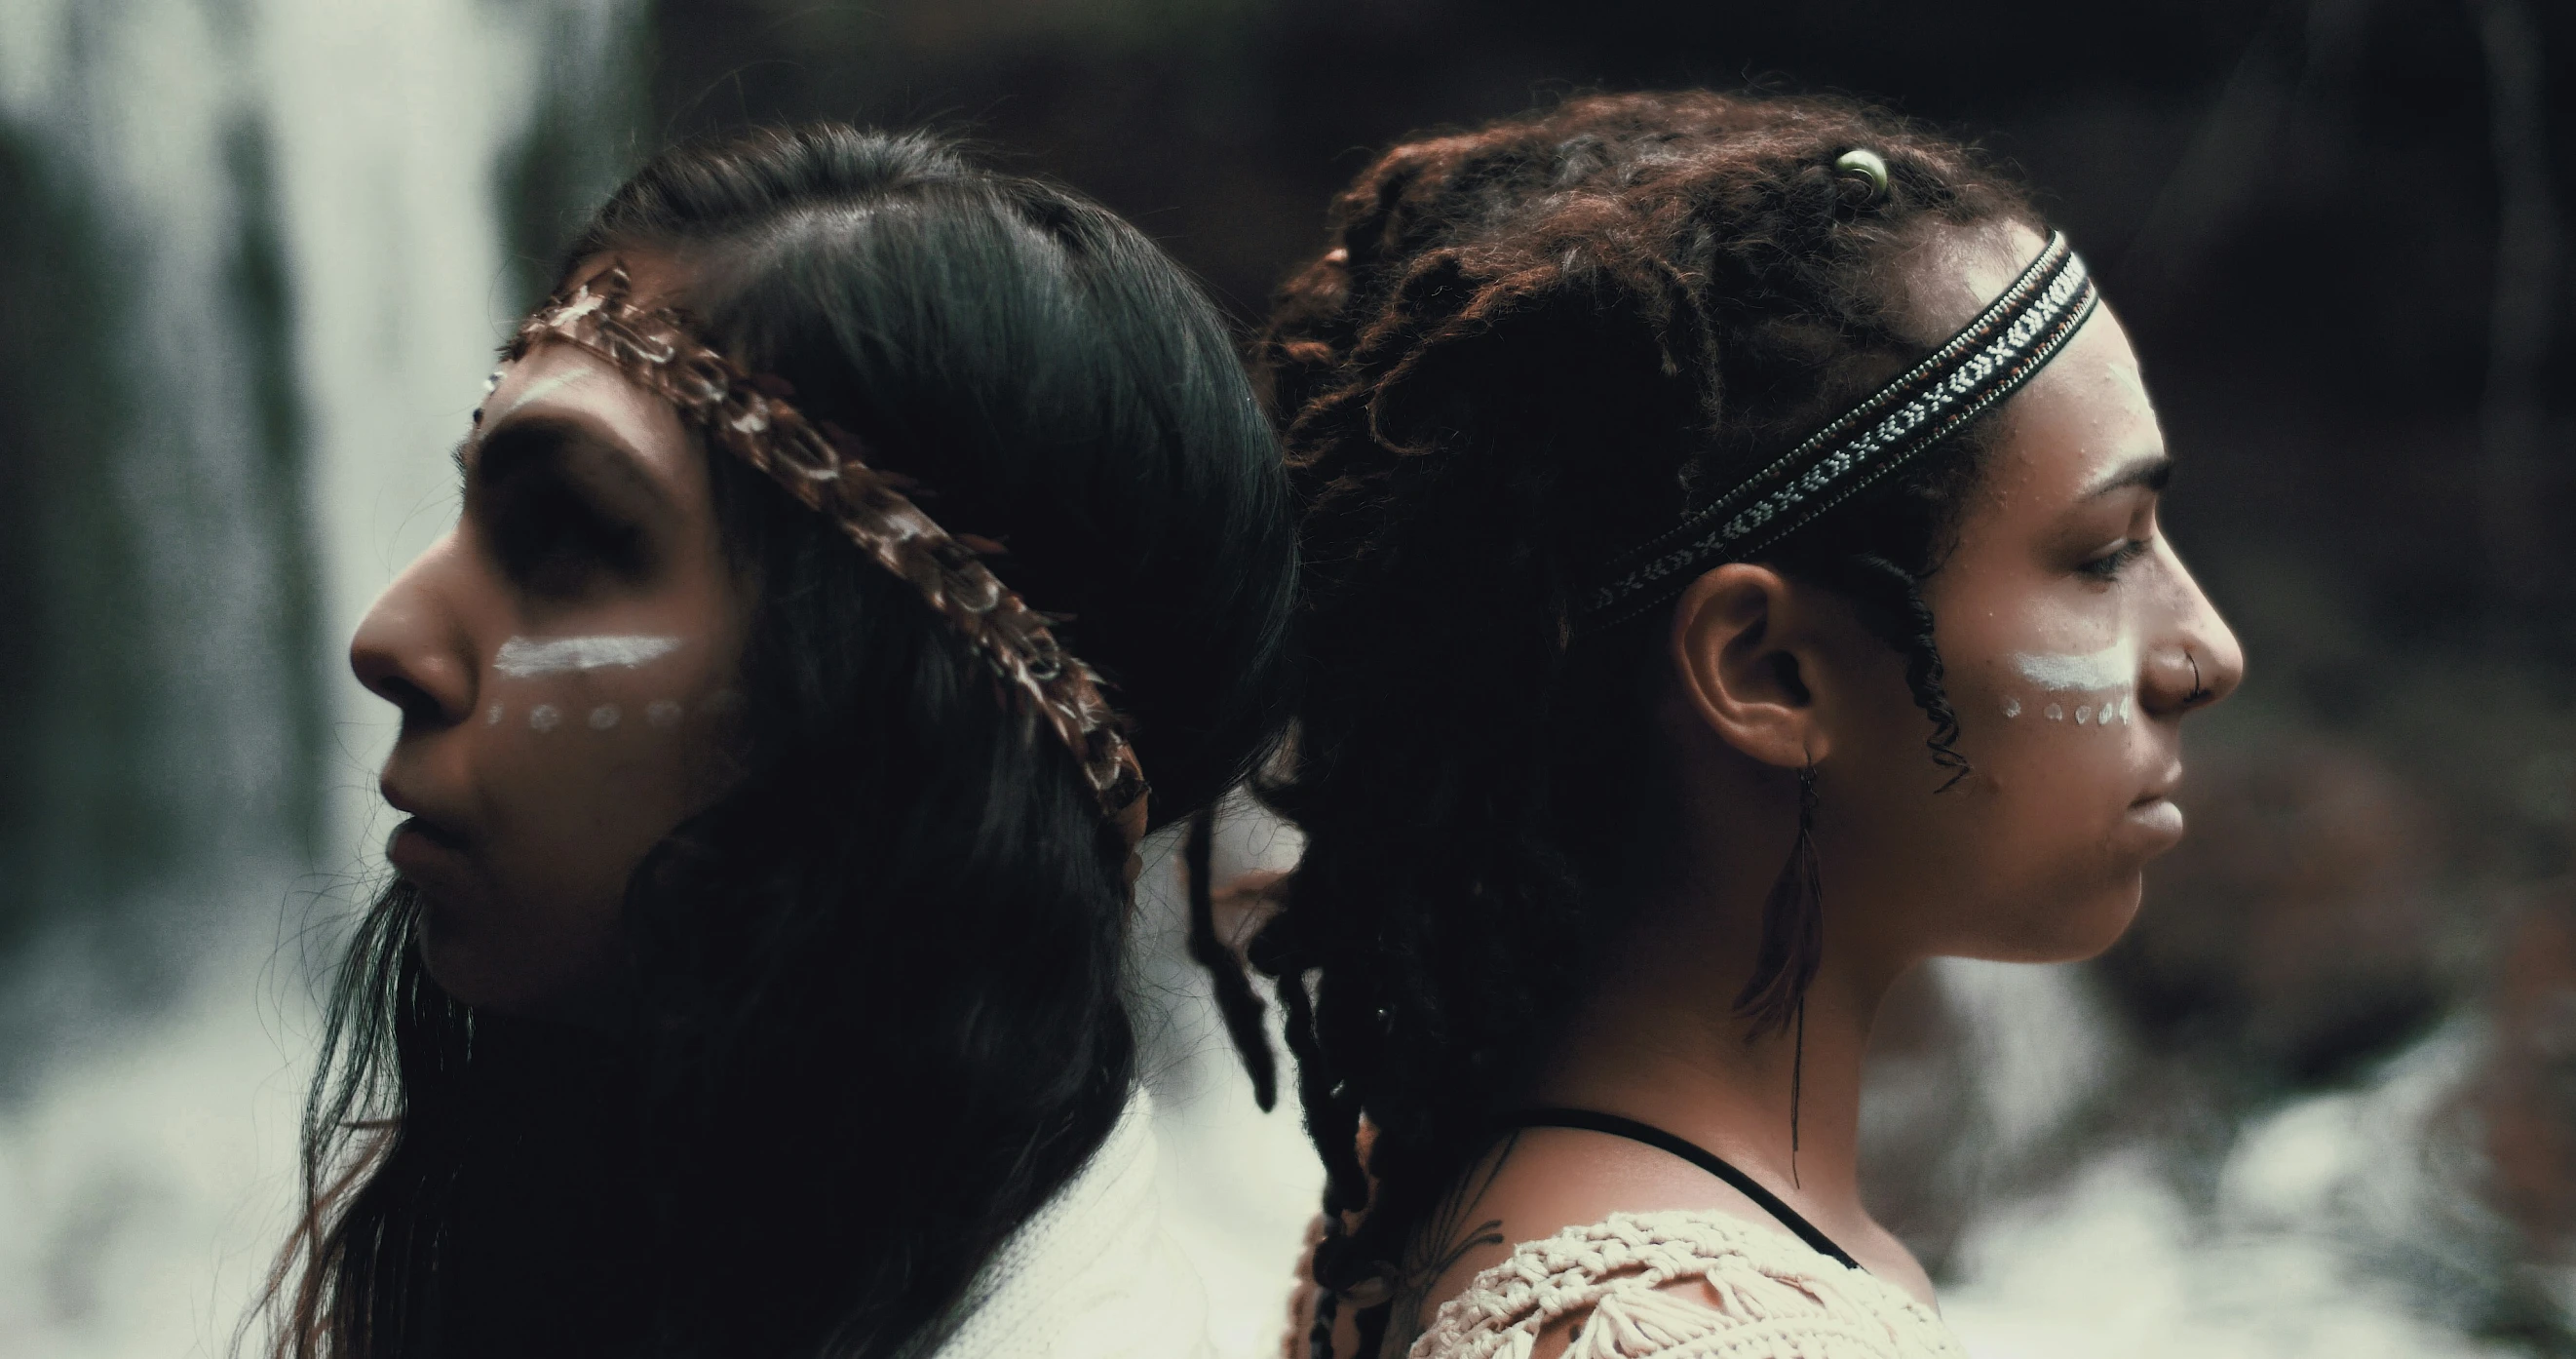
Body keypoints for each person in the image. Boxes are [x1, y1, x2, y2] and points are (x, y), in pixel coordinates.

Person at [262, 125, 1296, 1359]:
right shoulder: (603, 1242)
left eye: (567, 532)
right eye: (470, 504)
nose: (388, 639)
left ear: (901, 711)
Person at [1241, 91, 2245, 1358]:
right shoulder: (1693, 1332)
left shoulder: (1454, 1176)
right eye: (2102, 554)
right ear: (1767, 669)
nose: (2205, 651)